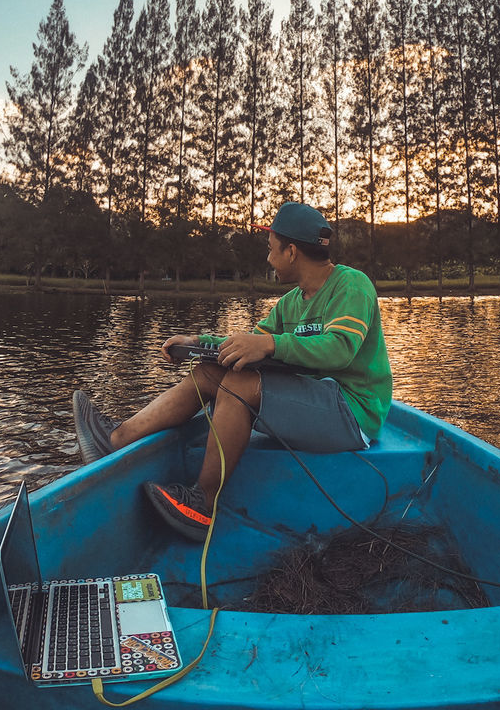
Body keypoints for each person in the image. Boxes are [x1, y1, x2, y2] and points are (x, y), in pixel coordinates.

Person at [72, 202, 393, 542]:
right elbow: (252, 343)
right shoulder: (290, 303)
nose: (268, 259)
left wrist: (272, 345)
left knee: (240, 385)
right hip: (313, 403)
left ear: (292, 251)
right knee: (212, 372)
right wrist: (200, 342)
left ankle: (202, 505)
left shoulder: (351, 285)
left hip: (353, 413)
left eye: (271, 250)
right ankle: (117, 439)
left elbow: (340, 348)